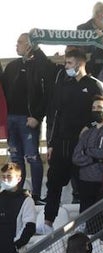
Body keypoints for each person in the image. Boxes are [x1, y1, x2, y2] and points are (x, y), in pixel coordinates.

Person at [44, 48, 103, 230]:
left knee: (83, 186)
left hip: (83, 145)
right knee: (54, 183)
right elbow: (54, 116)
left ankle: (83, 222)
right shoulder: (63, 85)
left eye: (69, 63)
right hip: (61, 143)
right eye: (65, 63)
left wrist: (89, 127)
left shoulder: (95, 84)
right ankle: (48, 221)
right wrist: (51, 143)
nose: (66, 67)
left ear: (80, 64)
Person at [2, 34, 53, 201]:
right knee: (15, 157)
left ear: (30, 45)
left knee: (32, 156)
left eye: (20, 42)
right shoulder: (11, 66)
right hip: (10, 118)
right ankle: (17, 193)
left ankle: (36, 195)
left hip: (28, 119)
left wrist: (37, 116)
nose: (16, 45)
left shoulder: (39, 67)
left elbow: (46, 95)